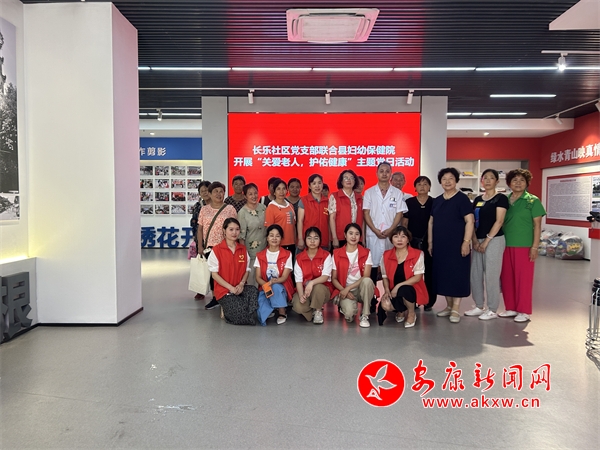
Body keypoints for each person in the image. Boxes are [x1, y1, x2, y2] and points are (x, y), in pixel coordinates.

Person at [428, 168, 474, 323]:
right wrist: (430, 242)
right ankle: (448, 306)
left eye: (451, 178)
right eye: (444, 179)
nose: (447, 182)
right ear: (440, 182)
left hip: (457, 244)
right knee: (443, 275)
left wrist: (466, 242)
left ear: (456, 181)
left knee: (457, 274)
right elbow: (431, 222)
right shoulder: (437, 200)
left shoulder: (462, 199)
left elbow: (469, 221)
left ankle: (456, 308)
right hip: (440, 245)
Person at [499, 169, 546, 323]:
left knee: (523, 279)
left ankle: (524, 311)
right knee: (507, 278)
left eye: (521, 180)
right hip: (505, 244)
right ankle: (511, 308)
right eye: (514, 180)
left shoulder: (532, 201)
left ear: (527, 183)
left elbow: (537, 225)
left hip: (524, 245)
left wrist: (535, 247)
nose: (518, 183)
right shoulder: (505, 200)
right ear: (509, 183)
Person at [466, 169, 509, 320]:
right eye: (485, 178)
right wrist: (474, 240)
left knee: (491, 275)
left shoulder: (501, 198)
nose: (488, 180)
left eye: (492, 178)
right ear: (481, 181)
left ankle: (492, 309)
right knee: (475, 274)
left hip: (494, 240)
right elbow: (472, 221)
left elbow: (499, 221)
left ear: (497, 181)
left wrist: (486, 241)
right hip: (477, 240)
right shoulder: (478, 199)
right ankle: (479, 306)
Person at [363, 162, 407, 301]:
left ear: (390, 174)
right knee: (373, 268)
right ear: (377, 174)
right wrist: (375, 230)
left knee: (392, 267)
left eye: (387, 171)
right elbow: (366, 213)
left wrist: (391, 229)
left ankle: (394, 299)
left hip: (391, 235)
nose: (384, 174)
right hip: (373, 235)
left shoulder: (397, 193)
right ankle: (371, 299)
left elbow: (399, 213)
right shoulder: (369, 192)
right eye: (381, 171)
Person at [208, 218, 259, 325]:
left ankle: (239, 309)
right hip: (224, 291)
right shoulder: (216, 250)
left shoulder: (243, 249)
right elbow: (214, 275)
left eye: (237, 229)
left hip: (239, 287)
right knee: (243, 315)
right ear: (224, 230)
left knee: (253, 291)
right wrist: (231, 288)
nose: (234, 232)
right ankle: (234, 311)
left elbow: (247, 270)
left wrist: (241, 284)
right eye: (231, 229)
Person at [197, 181, 238, 310]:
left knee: (226, 272)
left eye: (221, 191)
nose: (219, 194)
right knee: (213, 273)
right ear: (209, 194)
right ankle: (215, 298)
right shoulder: (204, 209)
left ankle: (227, 296)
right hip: (210, 247)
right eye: (215, 191)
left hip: (227, 246)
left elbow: (235, 227)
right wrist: (200, 246)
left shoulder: (230, 209)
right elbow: (200, 229)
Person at [379, 226, 427, 328]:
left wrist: (398, 286)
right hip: (393, 291)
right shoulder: (386, 255)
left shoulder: (417, 254)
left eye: (403, 236)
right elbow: (385, 276)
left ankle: (411, 313)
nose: (399, 240)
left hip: (412, 290)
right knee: (385, 304)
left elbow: (418, 277)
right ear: (391, 239)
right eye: (396, 236)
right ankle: (400, 310)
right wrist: (387, 290)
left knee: (405, 289)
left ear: (408, 239)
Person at [331, 223, 375, 327]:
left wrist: (349, 288)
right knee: (349, 315)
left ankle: (365, 315)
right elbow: (334, 278)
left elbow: (366, 276)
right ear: (345, 235)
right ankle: (346, 308)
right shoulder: (337, 253)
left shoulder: (366, 252)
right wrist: (344, 290)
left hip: (361, 288)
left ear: (360, 236)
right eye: (350, 233)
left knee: (367, 281)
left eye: (357, 234)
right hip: (345, 289)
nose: (353, 236)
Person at [403, 176, 436, 311]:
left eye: (425, 184)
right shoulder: (409, 202)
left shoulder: (434, 202)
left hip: (430, 243)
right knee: (413, 273)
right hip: (413, 242)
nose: (422, 187)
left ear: (429, 187)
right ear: (415, 187)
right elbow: (405, 223)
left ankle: (429, 301)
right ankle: (414, 300)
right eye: (419, 184)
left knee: (430, 272)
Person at [292, 227, 334, 324]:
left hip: (323, 289)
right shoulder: (299, 258)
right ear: (305, 240)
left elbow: (325, 276)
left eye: (316, 238)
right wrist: (301, 295)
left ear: (320, 240)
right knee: (298, 306)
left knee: (318, 287)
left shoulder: (326, 255)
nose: (312, 241)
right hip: (305, 290)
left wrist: (311, 283)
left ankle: (318, 311)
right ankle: (311, 311)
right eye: (309, 238)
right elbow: (298, 280)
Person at [254, 224, 294, 325]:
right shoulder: (260, 255)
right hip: (265, 287)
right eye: (271, 235)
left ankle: (282, 311)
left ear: (281, 238)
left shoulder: (287, 254)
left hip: (282, 286)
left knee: (276, 287)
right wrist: (267, 285)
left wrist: (273, 282)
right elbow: (258, 277)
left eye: (277, 236)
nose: (274, 238)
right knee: (262, 315)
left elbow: (284, 277)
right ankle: (272, 306)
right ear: (267, 238)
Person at [238, 183, 267, 287]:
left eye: (255, 193)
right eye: (250, 194)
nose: (254, 196)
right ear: (245, 196)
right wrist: (244, 254)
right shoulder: (242, 212)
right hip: (251, 252)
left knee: (264, 276)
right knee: (252, 278)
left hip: (265, 249)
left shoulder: (263, 208)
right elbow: (241, 236)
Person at [329, 169, 363, 249]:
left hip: (357, 237)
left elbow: (362, 219)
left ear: (355, 181)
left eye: (351, 178)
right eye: (346, 178)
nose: (349, 180)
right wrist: (334, 238)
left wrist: (363, 238)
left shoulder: (360, 197)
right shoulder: (335, 196)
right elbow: (332, 218)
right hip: (341, 237)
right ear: (341, 181)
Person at [190, 180, 211, 300]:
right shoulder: (198, 206)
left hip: (214, 240)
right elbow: (194, 223)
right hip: (200, 239)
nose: (205, 193)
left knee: (215, 266)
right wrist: (198, 242)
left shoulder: (217, 204)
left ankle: (216, 292)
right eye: (202, 191)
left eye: (207, 190)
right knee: (201, 265)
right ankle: (200, 290)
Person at [297, 174, 329, 252]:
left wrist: (330, 239)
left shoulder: (328, 201)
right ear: (309, 186)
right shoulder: (304, 200)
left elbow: (329, 222)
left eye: (319, 183)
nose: (317, 186)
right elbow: (300, 221)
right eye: (314, 183)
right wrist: (300, 239)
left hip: (323, 240)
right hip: (308, 240)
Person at [264, 178, 296, 256]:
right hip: (279, 244)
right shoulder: (271, 207)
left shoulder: (290, 205)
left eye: (284, 189)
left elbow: (293, 225)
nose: (281, 191)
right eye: (278, 189)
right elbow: (269, 229)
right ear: (274, 192)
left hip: (292, 243)